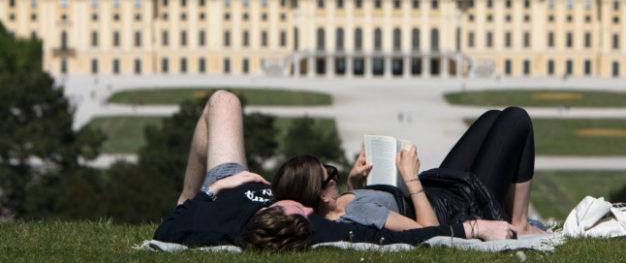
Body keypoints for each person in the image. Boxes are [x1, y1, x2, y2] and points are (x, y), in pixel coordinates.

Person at [154, 90, 517, 251]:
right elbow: (400, 239)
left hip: (224, 184)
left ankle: (186, 192)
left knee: (223, 101)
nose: (303, 205)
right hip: (233, 186)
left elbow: (167, 229)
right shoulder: (315, 227)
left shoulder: (209, 222)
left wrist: (210, 192)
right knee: (507, 122)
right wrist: (472, 228)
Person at [273, 106, 545, 236]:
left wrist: (354, 183)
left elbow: (362, 207)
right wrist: (410, 176)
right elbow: (428, 230)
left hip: (439, 192)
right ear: (321, 196)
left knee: (492, 118)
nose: (334, 174)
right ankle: (519, 223)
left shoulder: (335, 208)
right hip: (461, 207)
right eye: (330, 174)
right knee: (515, 119)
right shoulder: (356, 213)